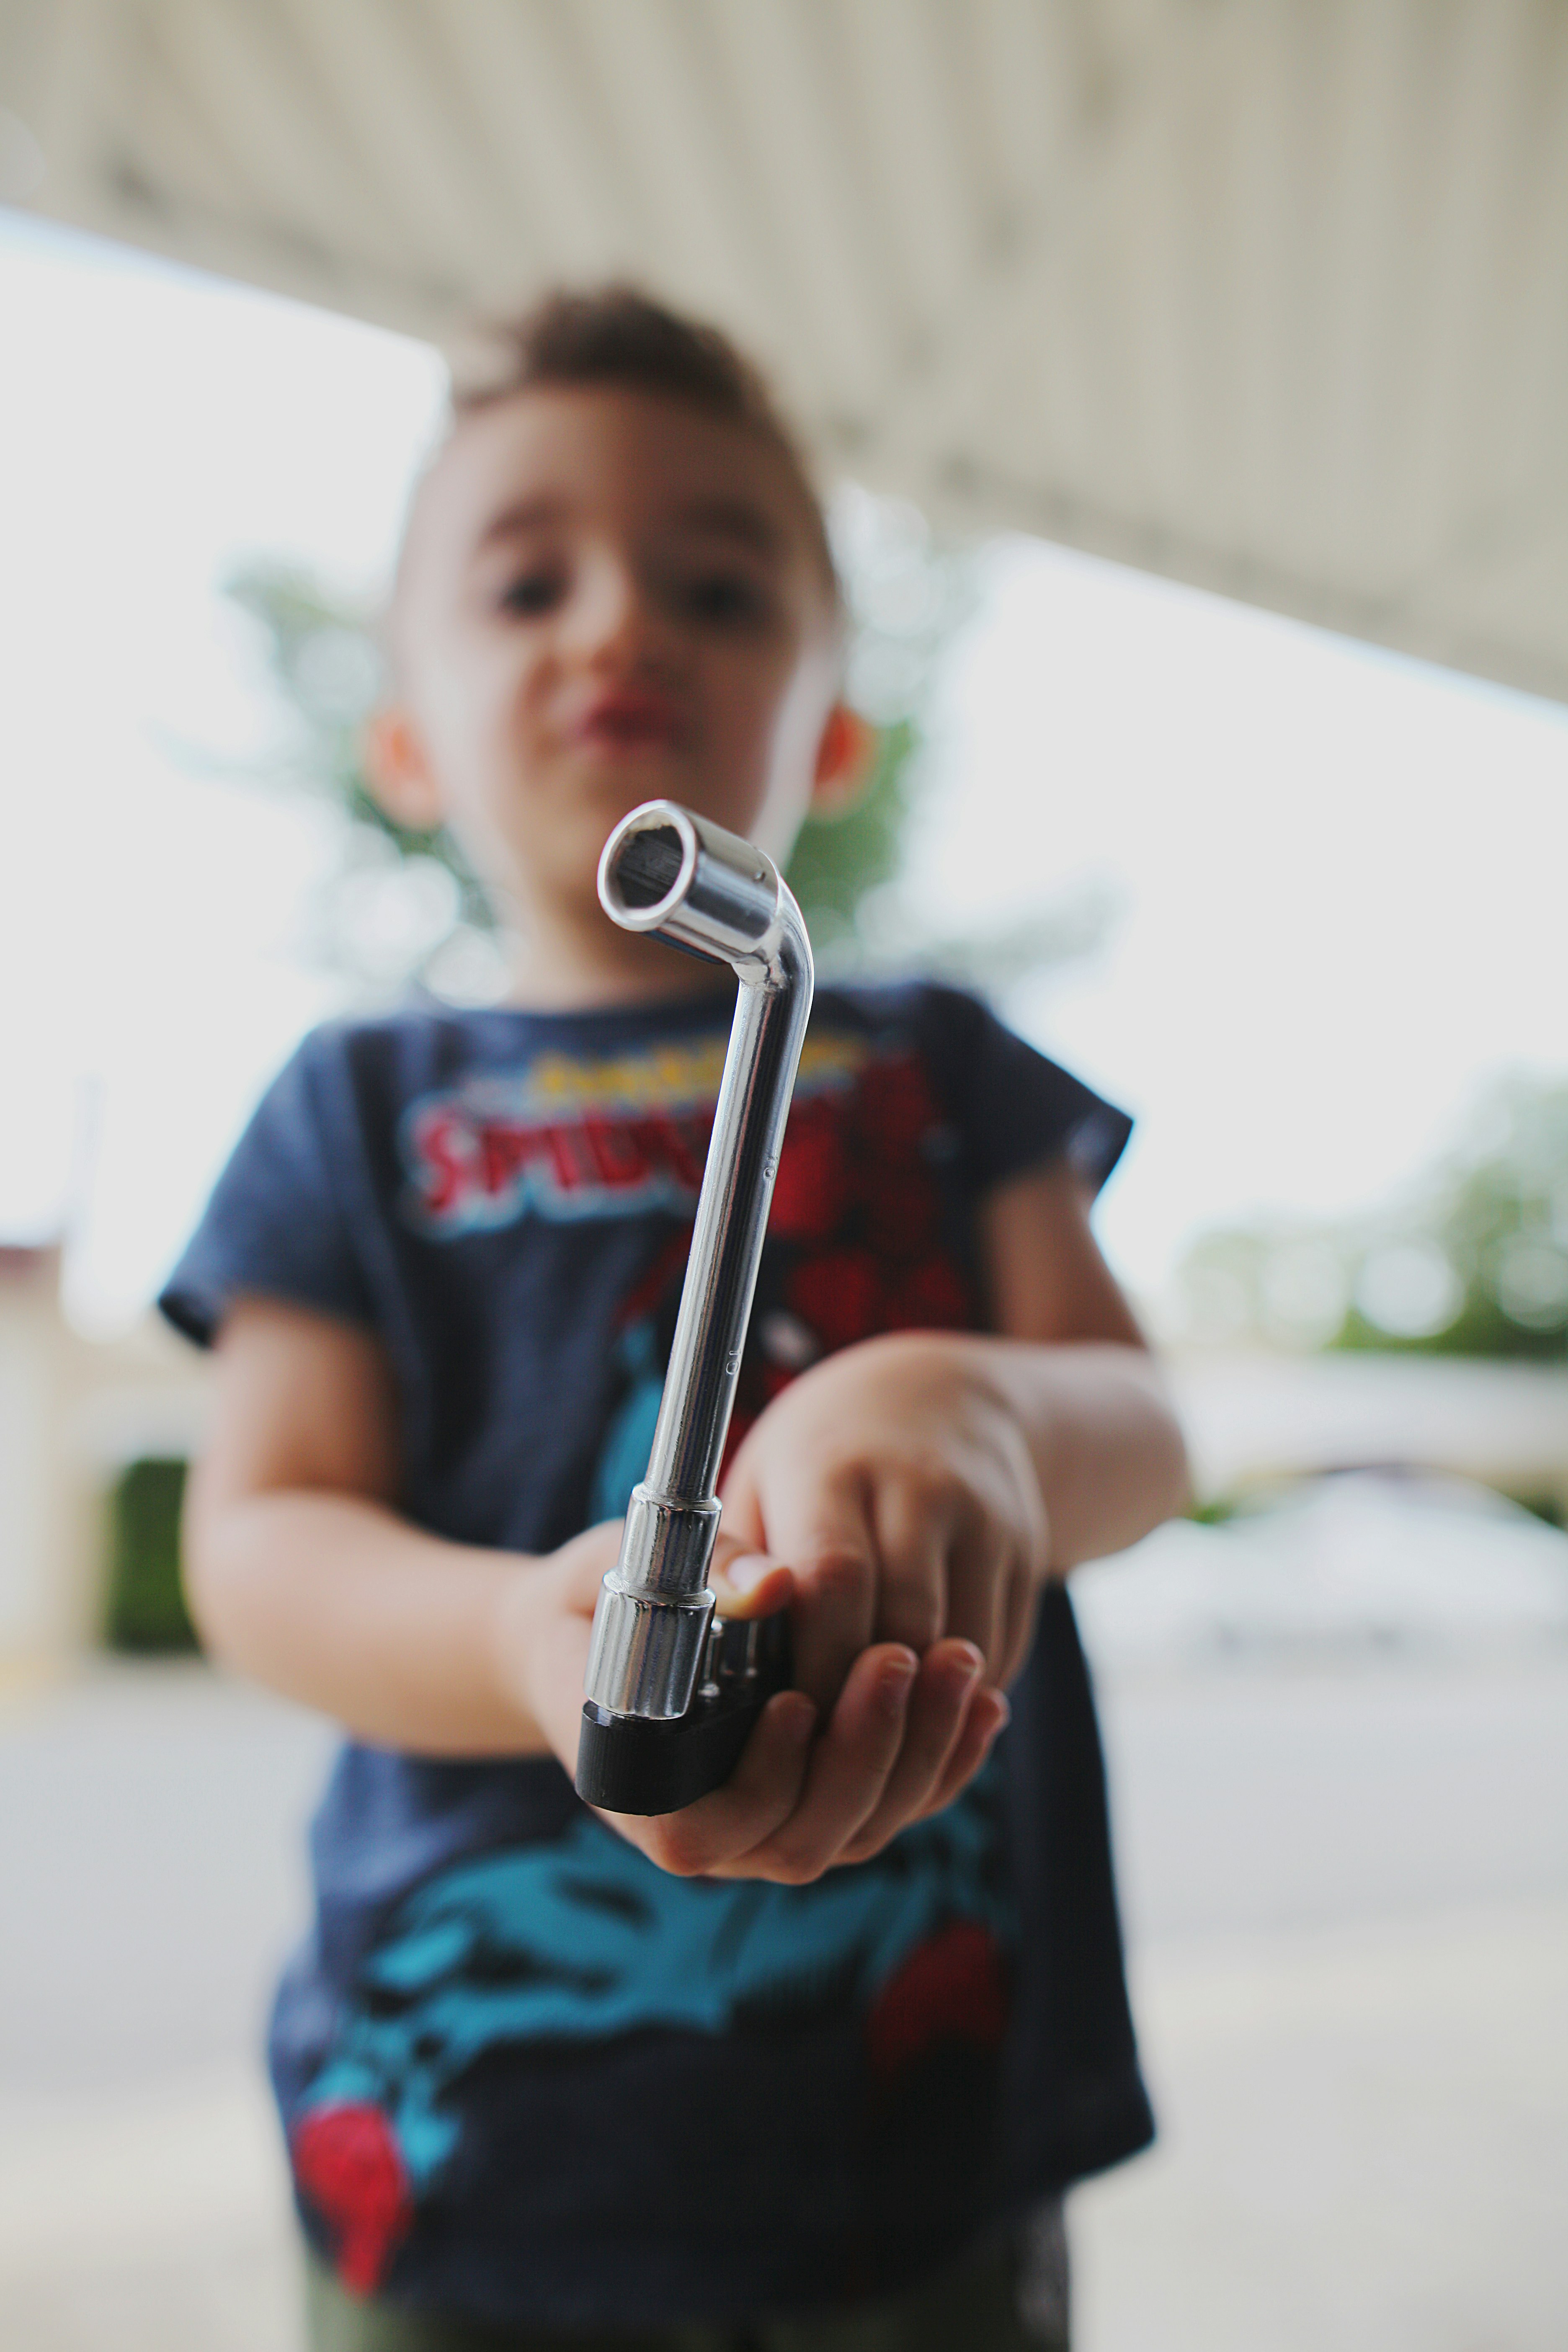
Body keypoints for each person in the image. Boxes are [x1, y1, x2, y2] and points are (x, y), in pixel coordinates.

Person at [163, 288, 1189, 2352]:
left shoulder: (940, 1070)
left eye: (719, 582)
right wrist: (510, 1638)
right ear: (401, 737)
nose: (620, 622)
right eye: (527, 579)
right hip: (462, 2170)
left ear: (827, 730)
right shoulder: (353, 1115)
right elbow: (259, 1543)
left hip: (919, 2173)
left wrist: (964, 1406)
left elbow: (1142, 1432)